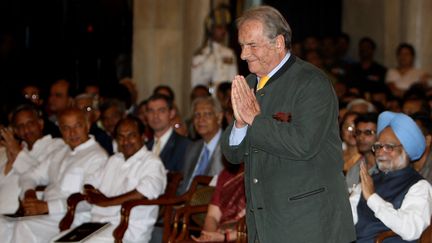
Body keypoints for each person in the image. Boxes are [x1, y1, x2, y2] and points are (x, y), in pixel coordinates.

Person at [220, 6, 355, 242]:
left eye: (251, 45)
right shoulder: (250, 83)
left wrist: (255, 120)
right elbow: (232, 156)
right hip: (265, 223)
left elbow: (304, 144)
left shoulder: (312, 83)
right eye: (241, 46)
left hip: (309, 223)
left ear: (279, 43)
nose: (243, 55)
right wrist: (240, 124)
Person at [0, 108, 108, 243]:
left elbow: (90, 200)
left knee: (25, 227)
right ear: (60, 130)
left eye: (77, 126)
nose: (72, 133)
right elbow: (30, 175)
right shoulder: (60, 152)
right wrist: (29, 193)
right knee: (9, 224)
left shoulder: (97, 157)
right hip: (47, 215)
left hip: (74, 218)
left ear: (87, 125)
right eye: (66, 128)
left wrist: (47, 207)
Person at [53, 117, 167, 243]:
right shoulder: (114, 160)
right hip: (96, 225)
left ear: (143, 136)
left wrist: (107, 202)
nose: (126, 141)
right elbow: (89, 182)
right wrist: (92, 193)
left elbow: (144, 192)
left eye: (131, 135)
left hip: (126, 230)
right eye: (121, 137)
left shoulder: (152, 162)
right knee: (56, 240)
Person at [350, 111, 432, 242]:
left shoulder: (419, 186)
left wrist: (372, 198)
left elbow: (411, 230)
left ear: (406, 149)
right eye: (378, 146)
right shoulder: (369, 181)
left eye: (389, 146)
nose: (381, 152)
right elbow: (346, 218)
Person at [0, 104, 64, 214]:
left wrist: (18, 154)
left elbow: (45, 177)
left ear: (40, 123)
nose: (26, 129)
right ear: (15, 131)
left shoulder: (57, 146)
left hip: (27, 215)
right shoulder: (14, 149)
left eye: (30, 123)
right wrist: (10, 162)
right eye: (20, 126)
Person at [180, 97, 224, 194]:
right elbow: (184, 183)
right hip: (183, 202)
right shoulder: (192, 148)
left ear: (219, 117)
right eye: (197, 115)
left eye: (207, 114)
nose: (201, 119)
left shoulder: (228, 147)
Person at [192, 163, 246, 242]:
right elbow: (212, 216)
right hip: (220, 234)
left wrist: (225, 237)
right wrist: (209, 236)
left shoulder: (266, 180)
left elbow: (260, 227)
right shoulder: (226, 174)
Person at [191, 5, 238, 91]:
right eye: (219, 27)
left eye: (225, 28)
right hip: (209, 97)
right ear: (211, 29)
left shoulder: (229, 53)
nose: (223, 31)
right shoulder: (201, 55)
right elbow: (196, 84)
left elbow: (234, 79)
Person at [145, 94, 191, 171]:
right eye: (151, 111)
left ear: (171, 113)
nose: (155, 116)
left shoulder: (185, 146)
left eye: (161, 111)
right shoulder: (144, 147)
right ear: (146, 115)